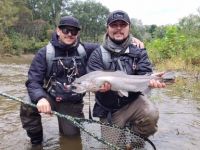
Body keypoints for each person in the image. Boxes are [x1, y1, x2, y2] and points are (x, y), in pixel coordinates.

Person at [20, 15, 144, 146]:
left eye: (73, 31)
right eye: (65, 30)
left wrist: (130, 40)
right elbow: (33, 81)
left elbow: (111, 46)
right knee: (28, 102)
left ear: (77, 33)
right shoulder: (44, 53)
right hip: (49, 97)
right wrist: (40, 98)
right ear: (58, 31)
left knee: (71, 139)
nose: (69, 34)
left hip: (72, 103)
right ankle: (36, 142)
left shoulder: (86, 49)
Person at [87, 10, 166, 138]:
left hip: (133, 102)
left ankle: (133, 141)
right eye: (114, 25)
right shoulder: (97, 54)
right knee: (111, 147)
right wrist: (99, 90)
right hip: (109, 109)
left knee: (151, 114)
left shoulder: (138, 51)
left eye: (122, 25)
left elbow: (145, 73)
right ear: (107, 28)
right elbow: (92, 80)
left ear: (129, 28)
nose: (118, 28)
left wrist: (152, 80)